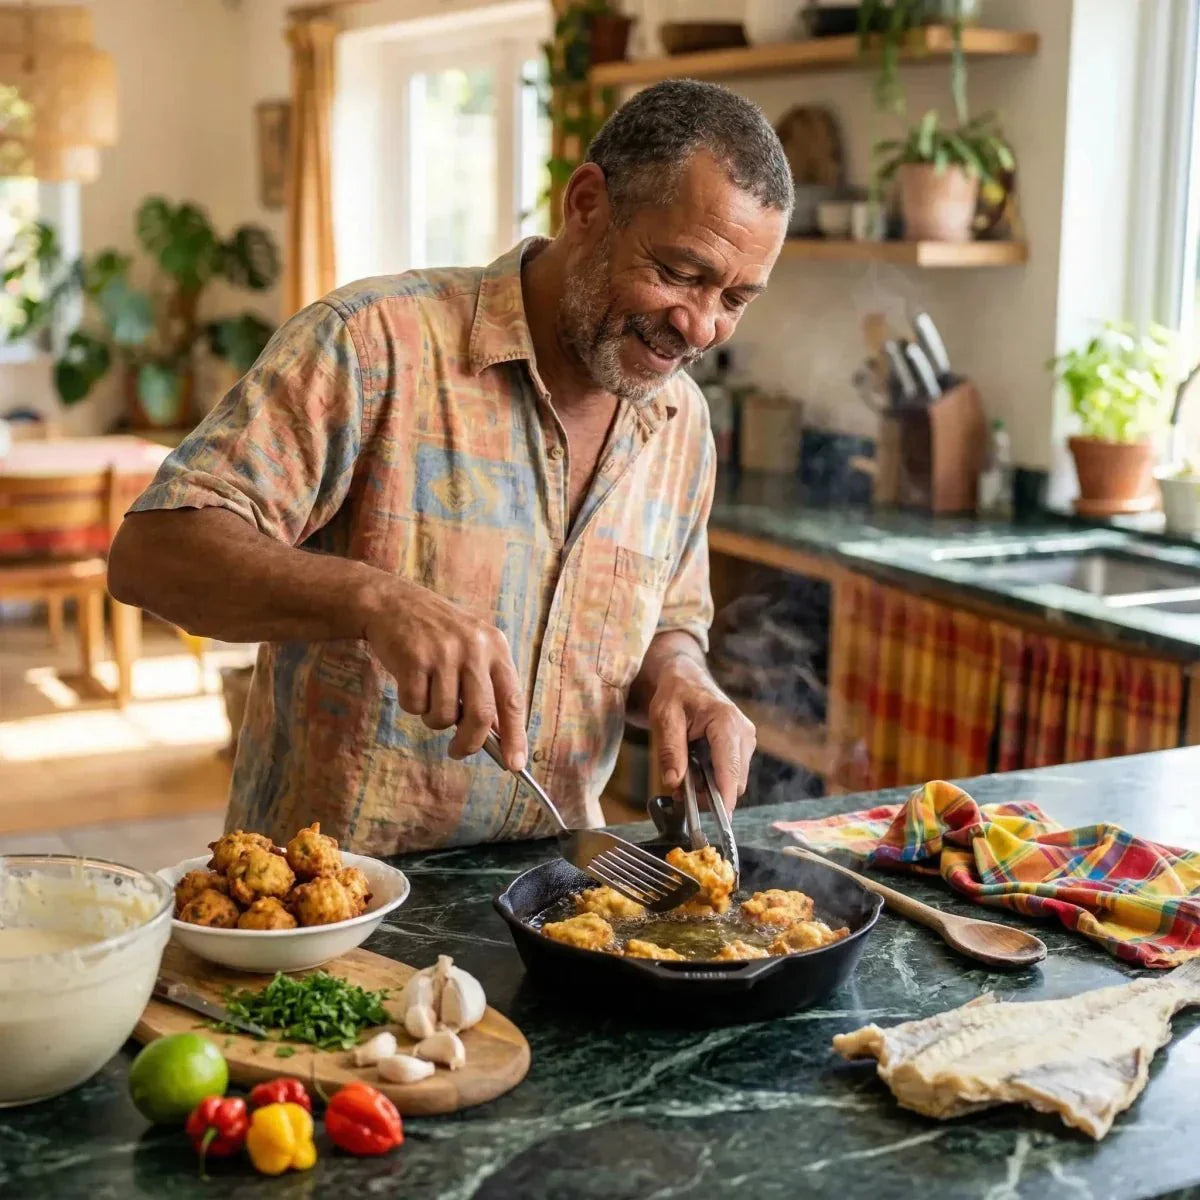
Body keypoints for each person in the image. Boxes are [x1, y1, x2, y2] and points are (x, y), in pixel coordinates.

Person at [107, 79, 795, 855]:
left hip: (557, 895)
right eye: (679, 272)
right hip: (330, 899)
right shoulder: (373, 343)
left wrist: (683, 678)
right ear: (587, 205)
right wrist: (374, 600)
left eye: (736, 298)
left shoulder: (681, 422)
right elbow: (152, 555)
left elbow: (668, 623)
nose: (700, 327)